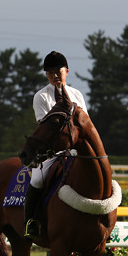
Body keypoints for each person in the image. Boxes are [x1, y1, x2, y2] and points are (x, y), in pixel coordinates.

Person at [24, 51, 88, 238]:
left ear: (66, 71)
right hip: (52, 152)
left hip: (76, 150)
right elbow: (45, 127)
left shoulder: (77, 94)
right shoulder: (41, 97)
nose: (54, 75)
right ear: (46, 75)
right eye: (49, 72)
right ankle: (31, 221)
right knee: (37, 179)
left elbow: (85, 123)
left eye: (57, 71)